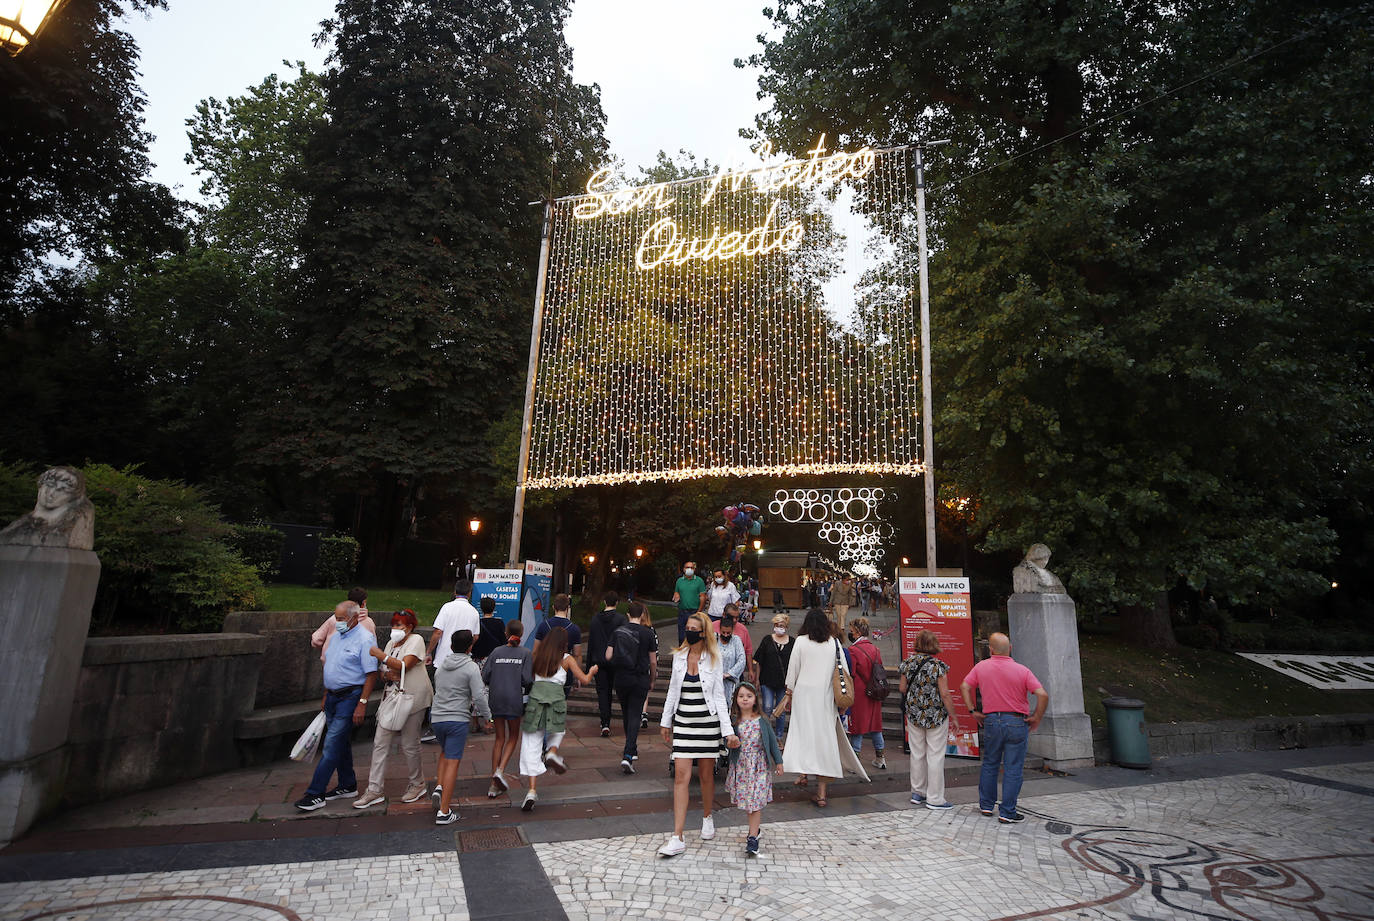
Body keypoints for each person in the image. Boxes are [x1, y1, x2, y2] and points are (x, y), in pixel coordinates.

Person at [657, 613, 738, 857]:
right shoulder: (679, 656)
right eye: (687, 627)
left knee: (705, 775)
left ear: (704, 633)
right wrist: (665, 721)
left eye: (694, 628)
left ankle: (707, 816)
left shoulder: (714, 658)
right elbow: (673, 689)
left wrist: (727, 731)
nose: (689, 632)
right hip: (684, 723)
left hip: (707, 723)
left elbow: (719, 698)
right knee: (680, 776)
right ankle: (677, 835)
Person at [778, 607, 869, 808]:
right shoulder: (834, 643)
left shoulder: (800, 641)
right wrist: (842, 703)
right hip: (825, 697)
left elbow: (792, 671)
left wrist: (789, 694)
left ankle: (803, 773)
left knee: (803, 737)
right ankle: (821, 794)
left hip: (803, 695)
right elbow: (843, 672)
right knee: (823, 742)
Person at [295, 601, 378, 811]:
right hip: (332, 696)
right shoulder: (338, 637)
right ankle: (347, 784)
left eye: (341, 619)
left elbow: (371, 674)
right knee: (340, 742)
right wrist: (326, 693)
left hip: (350, 697)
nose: (337, 622)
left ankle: (315, 793)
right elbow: (331, 666)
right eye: (336, 618)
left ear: (353, 618)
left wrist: (362, 703)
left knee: (332, 745)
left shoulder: (365, 639)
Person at [960, 632, 1049, 824]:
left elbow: (965, 686)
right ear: (1010, 648)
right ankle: (1007, 811)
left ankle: (986, 805)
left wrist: (972, 710)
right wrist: (1037, 717)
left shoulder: (981, 667)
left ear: (990, 650)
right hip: (1017, 722)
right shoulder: (1022, 670)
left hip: (991, 720)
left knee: (990, 763)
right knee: (1013, 768)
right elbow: (1042, 695)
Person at [354, 610, 433, 809]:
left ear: (410, 627)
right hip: (391, 698)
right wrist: (388, 673)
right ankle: (374, 789)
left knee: (409, 743)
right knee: (380, 742)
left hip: (412, 698)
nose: (395, 629)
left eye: (400, 625)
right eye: (394, 624)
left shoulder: (415, 641)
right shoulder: (391, 644)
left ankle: (417, 784)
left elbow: (405, 665)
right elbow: (387, 672)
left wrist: (383, 657)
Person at [518, 626, 597, 811]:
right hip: (556, 700)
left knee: (531, 745)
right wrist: (592, 670)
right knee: (557, 731)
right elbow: (584, 680)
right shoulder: (567, 659)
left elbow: (529, 678)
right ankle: (552, 751)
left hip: (536, 700)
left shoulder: (536, 656)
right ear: (564, 643)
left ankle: (531, 790)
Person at [427, 629, 490, 824]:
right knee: (454, 762)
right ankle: (444, 812)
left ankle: (439, 786)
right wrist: (488, 717)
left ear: (452, 646)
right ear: (470, 647)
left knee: (445, 752)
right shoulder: (471, 668)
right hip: (457, 719)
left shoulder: (442, 667)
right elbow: (479, 695)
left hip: (437, 718)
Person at [899, 629, 959, 810]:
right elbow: (945, 694)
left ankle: (917, 792)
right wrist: (954, 716)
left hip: (914, 714)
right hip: (936, 715)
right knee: (935, 755)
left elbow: (902, 688)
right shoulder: (938, 666)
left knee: (917, 753)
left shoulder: (907, 663)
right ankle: (935, 798)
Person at [725, 682, 783, 857]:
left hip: (759, 767)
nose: (745, 699)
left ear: (755, 700)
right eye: (741, 696)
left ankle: (752, 838)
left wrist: (778, 762)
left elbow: (772, 742)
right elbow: (728, 744)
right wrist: (730, 742)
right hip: (742, 767)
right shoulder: (734, 722)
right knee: (749, 804)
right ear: (736, 699)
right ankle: (755, 831)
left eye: (749, 696)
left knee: (755, 803)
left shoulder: (762, 721)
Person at [606, 601, 658, 773]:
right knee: (635, 713)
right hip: (640, 678)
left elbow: (608, 655)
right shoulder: (648, 633)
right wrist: (652, 679)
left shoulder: (618, 631)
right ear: (642, 614)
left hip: (621, 677)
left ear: (628, 614)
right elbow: (653, 661)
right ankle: (628, 753)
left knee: (627, 712)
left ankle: (631, 747)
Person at [482, 619, 532, 798]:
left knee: (499, 739)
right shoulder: (525, 653)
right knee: (513, 737)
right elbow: (527, 680)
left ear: (505, 633)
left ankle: (493, 784)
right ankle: (500, 770)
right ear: (522, 633)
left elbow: (485, 675)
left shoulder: (496, 652)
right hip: (513, 699)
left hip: (496, 698)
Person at [845, 617, 887, 769]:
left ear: (857, 632)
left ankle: (855, 761)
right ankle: (880, 757)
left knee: (857, 727)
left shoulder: (853, 650)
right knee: (875, 726)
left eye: (851, 631)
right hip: (874, 691)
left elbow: (851, 672)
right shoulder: (875, 649)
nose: (850, 634)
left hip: (860, 692)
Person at [585, 591, 627, 737]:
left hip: (599, 661)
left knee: (603, 692)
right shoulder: (621, 620)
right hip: (616, 661)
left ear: (604, 602)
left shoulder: (596, 619)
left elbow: (591, 643)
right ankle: (627, 720)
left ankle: (605, 723)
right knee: (621, 691)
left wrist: (589, 664)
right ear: (617, 603)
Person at [753, 612, 794, 739]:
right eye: (777, 625)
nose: (779, 628)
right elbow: (759, 660)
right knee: (767, 707)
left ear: (786, 626)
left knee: (781, 711)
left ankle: (779, 737)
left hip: (784, 682)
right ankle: (766, 735)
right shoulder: (767, 640)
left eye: (781, 625)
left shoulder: (792, 642)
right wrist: (757, 679)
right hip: (767, 680)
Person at [310, 587, 375, 663]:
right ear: (364, 603)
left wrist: (327, 647)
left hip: (330, 663)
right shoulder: (368, 622)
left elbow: (316, 640)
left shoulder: (335, 618)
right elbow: (372, 648)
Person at [428, 579, 479, 668]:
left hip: (443, 658)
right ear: (469, 593)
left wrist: (428, 652)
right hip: (464, 661)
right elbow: (475, 636)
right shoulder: (474, 612)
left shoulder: (446, 607)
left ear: (455, 592)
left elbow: (438, 632)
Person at [532, 593, 582, 666]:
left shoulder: (543, 625)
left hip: (546, 668)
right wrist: (577, 674)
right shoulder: (574, 629)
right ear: (567, 608)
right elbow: (577, 654)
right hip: (565, 669)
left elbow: (535, 651)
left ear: (553, 607)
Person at [715, 602, 755, 684]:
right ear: (724, 615)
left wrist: (750, 670)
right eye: (731, 617)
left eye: (737, 617)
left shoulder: (743, 629)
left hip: (736, 674)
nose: (734, 620)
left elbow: (748, 651)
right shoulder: (711, 627)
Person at [671, 561, 708, 643]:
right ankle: (681, 654)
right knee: (681, 637)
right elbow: (676, 592)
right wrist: (676, 596)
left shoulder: (699, 581)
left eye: (691, 568)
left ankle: (693, 653)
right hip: (682, 612)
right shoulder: (679, 581)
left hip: (694, 612)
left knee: (693, 636)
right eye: (687, 567)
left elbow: (703, 597)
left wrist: (699, 612)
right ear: (683, 569)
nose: (689, 569)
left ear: (694, 569)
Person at [716, 614, 747, 702]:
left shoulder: (736, 640)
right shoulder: (714, 639)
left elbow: (742, 660)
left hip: (730, 681)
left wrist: (729, 673)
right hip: (715, 680)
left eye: (728, 633)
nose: (725, 635)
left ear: (732, 631)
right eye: (723, 632)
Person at [471, 596, 506, 662]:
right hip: (495, 658)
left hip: (480, 658)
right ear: (494, 608)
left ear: (481, 608)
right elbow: (503, 641)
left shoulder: (477, 623)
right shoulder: (499, 623)